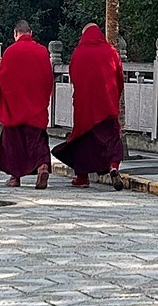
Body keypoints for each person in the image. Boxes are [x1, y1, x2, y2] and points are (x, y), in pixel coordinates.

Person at [51, 23, 125, 190]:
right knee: (111, 138)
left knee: (83, 141)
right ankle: (113, 167)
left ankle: (82, 177)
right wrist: (114, 97)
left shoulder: (79, 53)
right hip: (106, 104)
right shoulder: (111, 52)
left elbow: (74, 77)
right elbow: (119, 77)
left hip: (85, 106)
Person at [0, 20, 55, 189]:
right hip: (35, 106)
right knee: (37, 141)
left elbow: (2, 79)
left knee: (13, 143)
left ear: (15, 33)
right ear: (30, 33)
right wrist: (43, 98)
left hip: (15, 107)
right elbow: (48, 79)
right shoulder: (41, 52)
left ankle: (15, 177)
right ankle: (42, 167)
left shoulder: (10, 52)